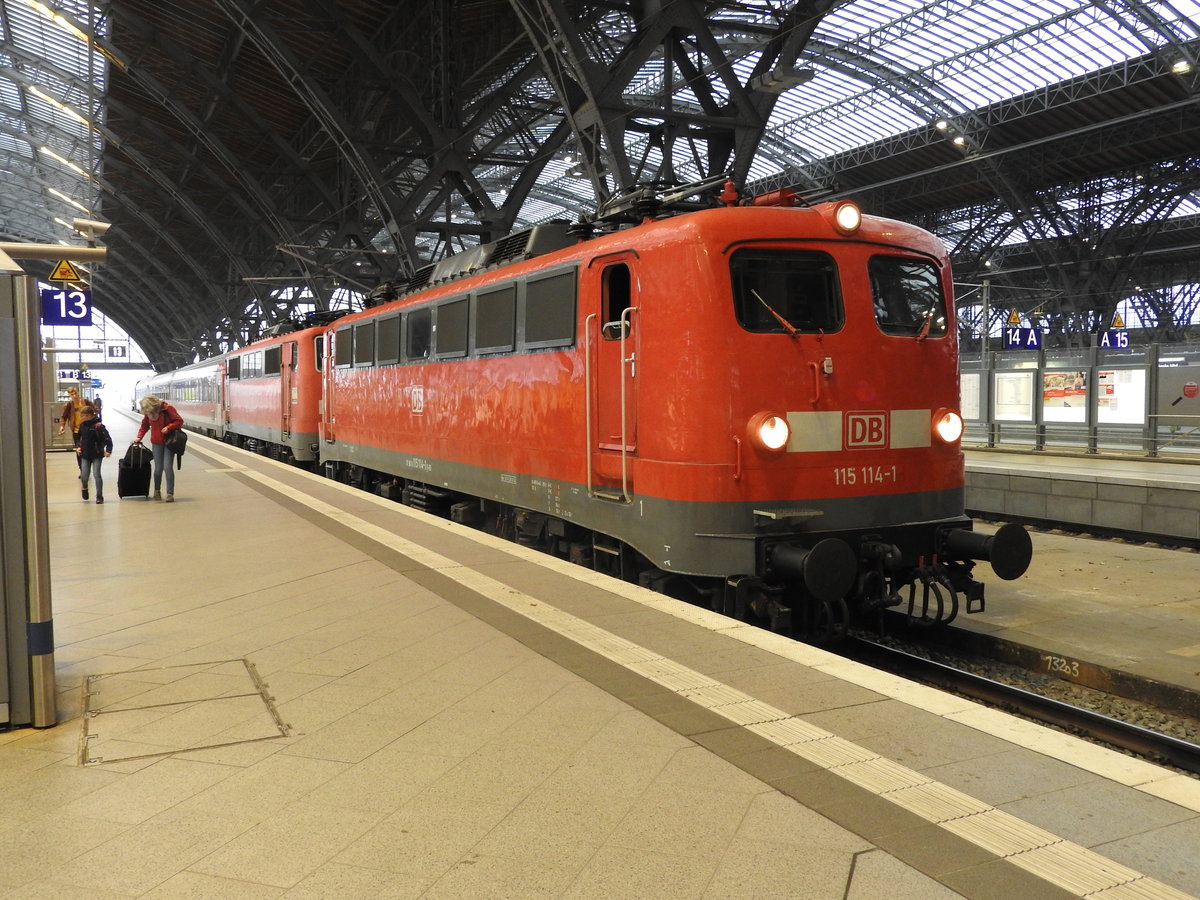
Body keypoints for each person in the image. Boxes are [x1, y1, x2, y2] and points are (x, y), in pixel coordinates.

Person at [135, 395, 185, 502]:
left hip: (169, 442)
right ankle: (157, 491)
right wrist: (139, 437)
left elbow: (179, 421)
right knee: (158, 469)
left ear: (153, 406)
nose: (150, 415)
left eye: (150, 412)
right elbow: (144, 426)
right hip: (156, 442)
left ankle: (170, 493)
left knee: (167, 467)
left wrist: (168, 427)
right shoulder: (148, 412)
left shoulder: (167, 409)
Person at [76, 402, 112, 503]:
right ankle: (84, 488)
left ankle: (99, 496)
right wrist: (78, 447)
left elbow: (108, 439)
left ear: (89, 416)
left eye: (82, 416)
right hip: (85, 454)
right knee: (84, 475)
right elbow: (79, 438)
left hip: (97, 454)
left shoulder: (99, 426)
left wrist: (108, 450)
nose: (81, 417)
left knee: (97, 475)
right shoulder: (82, 426)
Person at [57, 386, 87, 461]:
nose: (74, 396)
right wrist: (62, 426)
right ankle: (82, 469)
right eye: (71, 394)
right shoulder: (69, 405)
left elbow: (93, 411)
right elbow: (64, 417)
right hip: (76, 431)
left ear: (78, 393)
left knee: (87, 448)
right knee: (78, 449)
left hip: (86, 430)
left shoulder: (85, 402)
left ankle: (86, 467)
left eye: (75, 394)